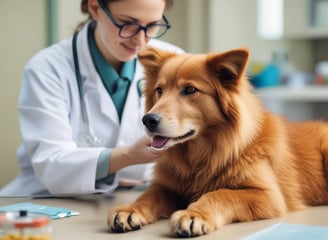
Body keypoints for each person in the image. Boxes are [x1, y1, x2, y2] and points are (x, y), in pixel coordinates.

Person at [0, 0, 183, 196]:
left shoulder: (172, 61)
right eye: (127, 23)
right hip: (47, 201)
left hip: (138, 197)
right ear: (95, 8)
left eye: (152, 25)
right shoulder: (47, 68)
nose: (140, 40)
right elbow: (51, 164)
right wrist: (128, 156)